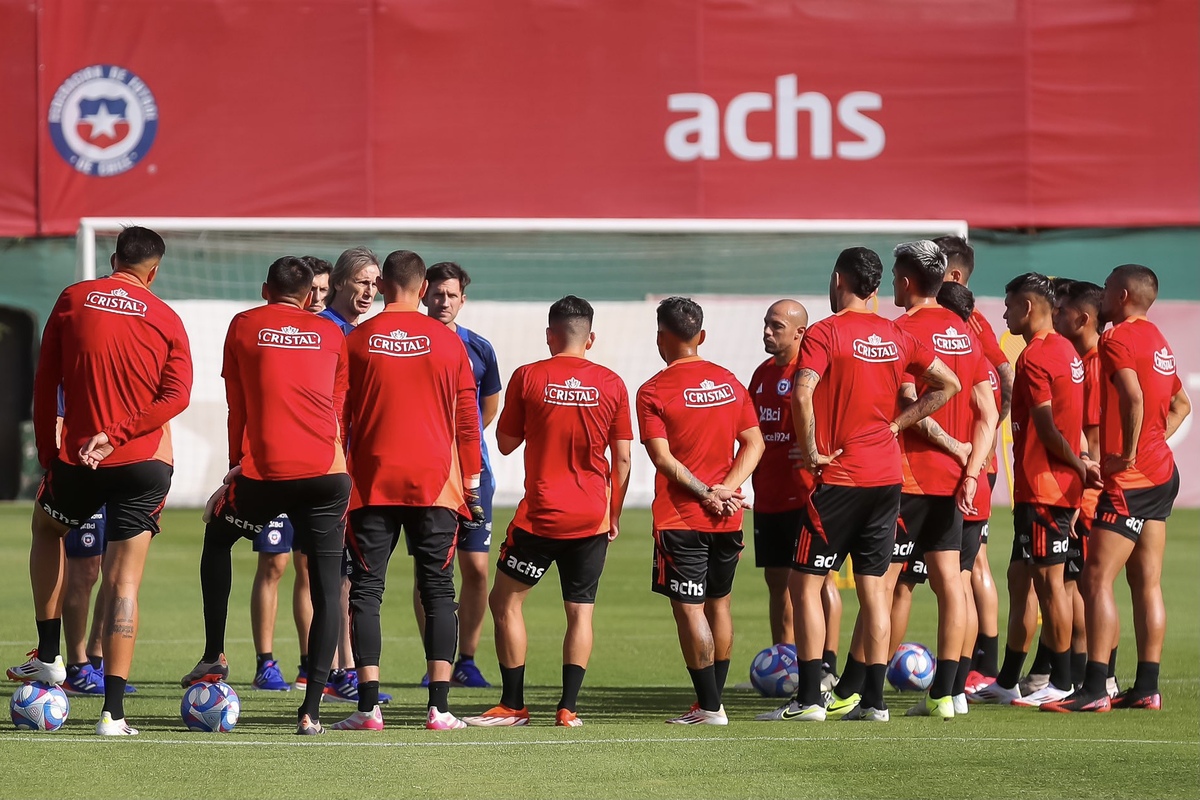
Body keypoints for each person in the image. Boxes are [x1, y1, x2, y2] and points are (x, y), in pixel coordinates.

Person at [757, 246, 960, 723]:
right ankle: (874, 701)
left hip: (840, 477)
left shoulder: (826, 333)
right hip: (888, 477)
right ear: (875, 286)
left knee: (805, 585)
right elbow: (947, 385)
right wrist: (898, 424)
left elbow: (803, 391)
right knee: (874, 589)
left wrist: (809, 451)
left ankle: (809, 700)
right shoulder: (895, 334)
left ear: (838, 279)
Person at [9, 227, 192, 736]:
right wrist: (121, 434)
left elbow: (46, 381)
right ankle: (113, 714)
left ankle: (49, 657)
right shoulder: (167, 317)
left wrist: (51, 455)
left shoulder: (73, 298)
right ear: (153, 271)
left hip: (79, 460)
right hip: (145, 460)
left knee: (47, 529)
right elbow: (176, 397)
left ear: (113, 259)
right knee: (123, 582)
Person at [179, 257, 351, 735]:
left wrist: (236, 467)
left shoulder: (244, 325)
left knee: (218, 539)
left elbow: (238, 403)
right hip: (326, 474)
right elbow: (338, 408)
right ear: (311, 296)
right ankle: (311, 711)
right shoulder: (333, 334)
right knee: (326, 584)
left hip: (267, 473)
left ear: (265, 289)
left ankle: (214, 655)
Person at [464, 295, 632, 727]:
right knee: (580, 612)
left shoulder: (528, 376)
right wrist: (613, 515)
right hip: (592, 516)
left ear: (548, 335)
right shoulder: (613, 383)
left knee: (505, 602)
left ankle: (514, 704)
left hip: (541, 515)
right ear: (590, 338)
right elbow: (624, 460)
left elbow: (503, 442)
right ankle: (568, 708)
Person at [334, 249, 482, 732]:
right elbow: (468, 420)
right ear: (422, 290)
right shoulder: (449, 343)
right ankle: (439, 708)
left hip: (371, 483)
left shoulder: (357, 341)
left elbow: (338, 415)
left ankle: (367, 708)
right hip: (435, 485)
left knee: (367, 591)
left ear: (383, 286)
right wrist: (473, 483)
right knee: (439, 589)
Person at [1045, 264, 1190, 713]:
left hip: (1132, 479)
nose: (1103, 296)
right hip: (1163, 473)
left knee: (1094, 578)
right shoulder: (1158, 339)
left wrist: (1128, 452)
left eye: (1107, 289)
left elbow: (1132, 396)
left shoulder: (1116, 337)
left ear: (1123, 294)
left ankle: (1093, 690)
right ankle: (1147, 686)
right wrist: (1150, 444)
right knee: (1146, 583)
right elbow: (1182, 404)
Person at [883, 241, 998, 719]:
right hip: (957, 481)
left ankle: (866, 692)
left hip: (907, 477)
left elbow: (912, 404)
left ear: (908, 282)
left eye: (894, 276)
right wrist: (972, 469)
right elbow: (989, 412)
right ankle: (947, 694)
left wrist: (893, 427)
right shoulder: (965, 332)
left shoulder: (899, 331)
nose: (891, 283)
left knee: (881, 583)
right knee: (955, 582)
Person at [638, 297, 764, 725]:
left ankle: (710, 706)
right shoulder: (729, 381)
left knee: (690, 609)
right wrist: (727, 489)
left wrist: (707, 492)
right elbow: (755, 443)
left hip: (681, 516)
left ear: (661, 339)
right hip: (727, 515)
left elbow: (663, 460)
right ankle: (710, 701)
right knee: (720, 605)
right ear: (702, 336)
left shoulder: (653, 391)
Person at [973, 273, 1096, 707]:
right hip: (1038, 488)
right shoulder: (1065, 350)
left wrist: (1077, 465)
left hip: (1046, 489)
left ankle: (1061, 681)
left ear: (1027, 307)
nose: (1004, 314)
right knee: (1020, 581)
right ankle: (1008, 679)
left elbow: (1047, 426)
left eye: (1009, 306)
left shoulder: (1039, 355)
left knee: (1051, 585)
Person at [746, 300, 842, 689]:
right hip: (768, 494)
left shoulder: (816, 373)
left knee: (820, 581)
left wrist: (818, 447)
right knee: (776, 580)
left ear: (801, 332)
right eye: (766, 324)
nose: (767, 331)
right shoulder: (761, 374)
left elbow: (840, 421)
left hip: (808, 495)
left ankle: (826, 667)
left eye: (776, 326)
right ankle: (781, 663)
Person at [416, 261, 502, 689]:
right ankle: (435, 658)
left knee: (477, 569)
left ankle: (467, 658)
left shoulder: (480, 348)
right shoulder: (410, 342)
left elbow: (490, 405)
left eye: (451, 295)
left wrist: (461, 444)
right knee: (429, 570)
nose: (443, 301)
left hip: (473, 473)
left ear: (463, 299)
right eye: (436, 293)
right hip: (426, 475)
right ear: (422, 294)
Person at [308, 247, 385, 703]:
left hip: (364, 468)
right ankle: (340, 670)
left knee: (352, 572)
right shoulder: (324, 331)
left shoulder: (368, 333)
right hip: (329, 467)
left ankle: (345, 668)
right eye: (362, 281)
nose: (369, 291)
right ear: (339, 282)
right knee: (336, 571)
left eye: (375, 283)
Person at [937, 235, 1013, 686]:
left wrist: (979, 439)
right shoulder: (976, 324)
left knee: (970, 564)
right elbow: (1005, 376)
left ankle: (979, 666)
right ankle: (971, 667)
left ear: (954, 276)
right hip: (975, 454)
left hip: (966, 457)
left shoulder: (969, 322)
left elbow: (1006, 377)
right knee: (965, 564)